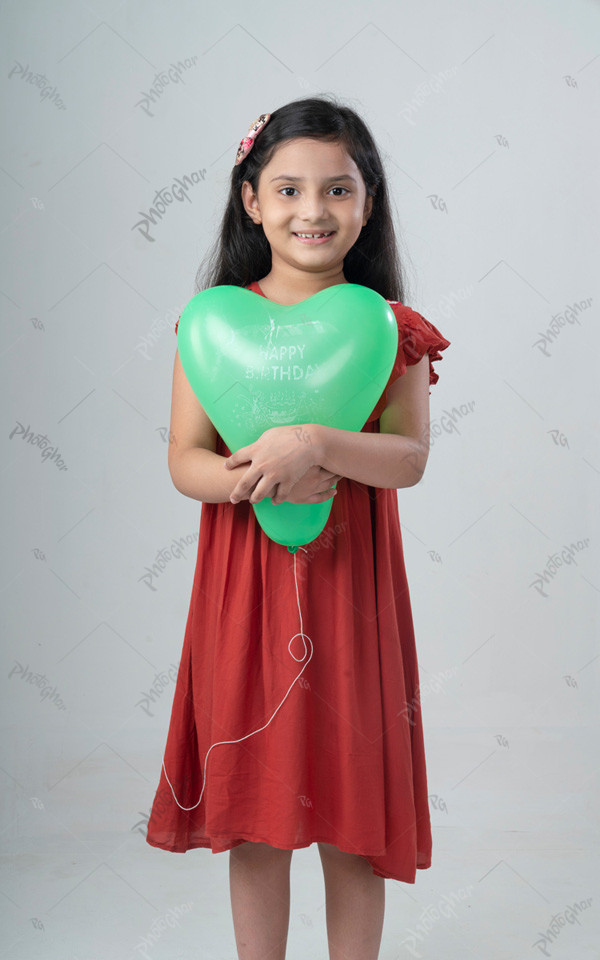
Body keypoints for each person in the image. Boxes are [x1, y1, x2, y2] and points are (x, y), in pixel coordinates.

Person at [145, 95, 451, 960]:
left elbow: (410, 459)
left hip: (352, 587)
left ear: (368, 201)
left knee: (353, 809)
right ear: (251, 200)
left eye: (338, 190)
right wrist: (261, 472)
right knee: (258, 812)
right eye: (287, 189)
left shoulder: (393, 329)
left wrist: (318, 442)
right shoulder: (211, 328)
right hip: (246, 590)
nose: (312, 211)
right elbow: (185, 461)